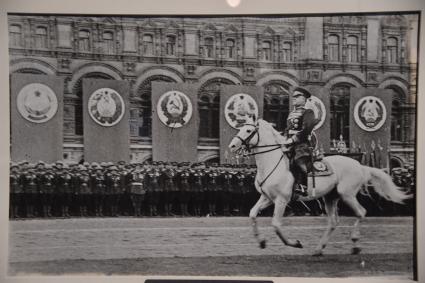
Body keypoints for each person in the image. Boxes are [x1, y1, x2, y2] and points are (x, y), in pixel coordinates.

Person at [282, 87, 317, 197]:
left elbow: (307, 128)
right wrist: (283, 139)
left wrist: (293, 139)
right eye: (293, 96)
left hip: (302, 144)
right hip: (290, 143)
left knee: (298, 160)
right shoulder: (291, 113)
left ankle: (303, 186)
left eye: (297, 96)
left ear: (304, 99)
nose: (294, 98)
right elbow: (287, 129)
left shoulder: (308, 112)